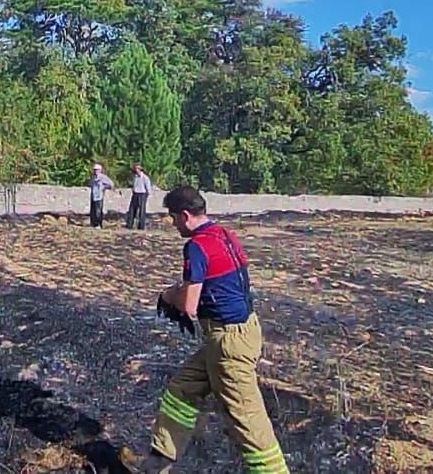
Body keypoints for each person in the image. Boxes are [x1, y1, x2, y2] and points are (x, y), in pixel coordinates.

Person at [132, 185, 287, 474]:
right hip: (242, 332)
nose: (173, 223)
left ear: (186, 215)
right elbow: (217, 285)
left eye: (173, 217)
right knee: (182, 390)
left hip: (228, 343)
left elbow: (189, 305)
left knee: (248, 422)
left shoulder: (195, 246)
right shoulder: (224, 235)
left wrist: (168, 296)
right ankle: (157, 462)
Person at [126, 162, 154, 230]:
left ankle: (141, 226)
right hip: (135, 194)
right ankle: (129, 224)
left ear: (140, 169)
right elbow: (134, 185)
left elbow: (148, 187)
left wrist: (147, 195)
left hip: (142, 194)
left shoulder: (145, 178)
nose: (136, 170)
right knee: (132, 209)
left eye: (137, 169)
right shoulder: (135, 177)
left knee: (142, 211)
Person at [88, 163, 114, 228]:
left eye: (97, 170)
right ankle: (93, 223)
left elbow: (111, 184)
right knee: (93, 211)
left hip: (99, 196)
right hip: (93, 196)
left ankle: (98, 224)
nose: (95, 171)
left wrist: (104, 187)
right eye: (94, 170)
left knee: (98, 211)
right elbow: (90, 184)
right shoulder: (93, 178)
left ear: (100, 170)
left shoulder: (103, 177)